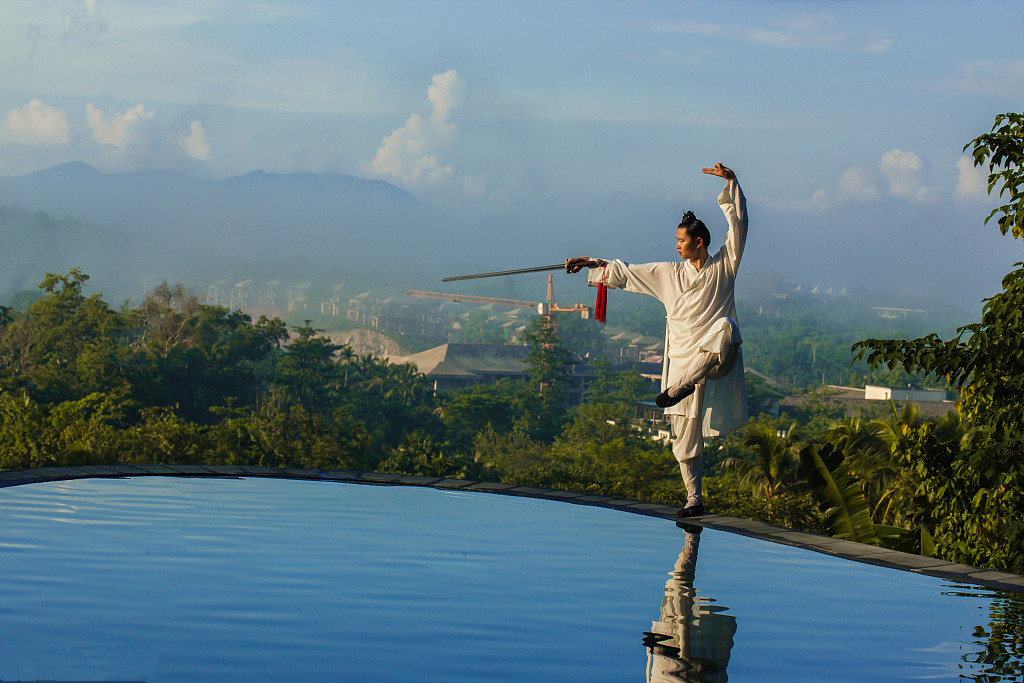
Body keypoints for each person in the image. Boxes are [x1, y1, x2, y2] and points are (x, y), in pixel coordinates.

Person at [566, 163, 748, 517]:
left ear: (699, 242)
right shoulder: (668, 274)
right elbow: (626, 271)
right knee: (685, 435)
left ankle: (684, 383)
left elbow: (739, 228)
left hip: (712, 361)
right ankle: (694, 498)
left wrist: (731, 184)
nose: (676, 246)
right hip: (682, 362)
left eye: (681, 241)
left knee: (727, 327)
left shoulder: (725, 267)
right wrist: (589, 262)